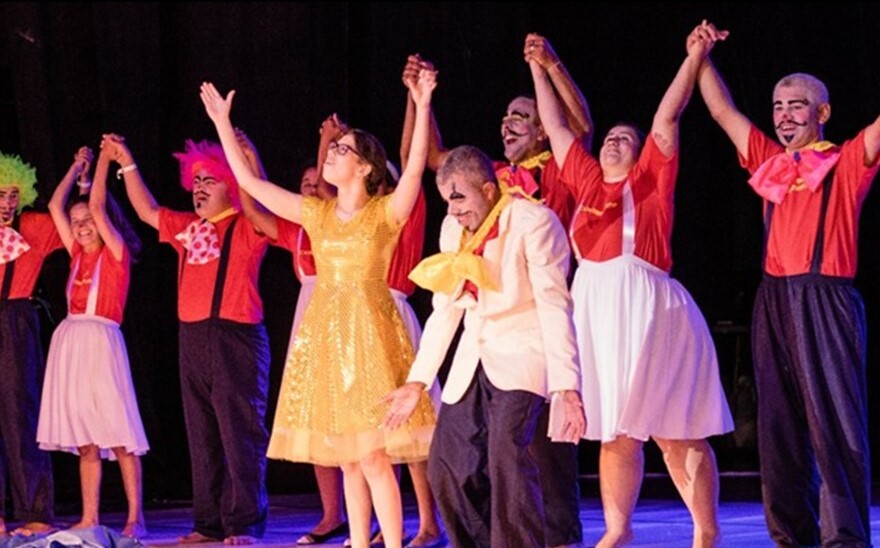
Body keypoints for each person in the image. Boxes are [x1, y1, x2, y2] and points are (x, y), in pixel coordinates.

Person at [199, 69, 437, 548]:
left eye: (343, 149)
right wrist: (222, 123)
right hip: (328, 336)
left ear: (366, 168)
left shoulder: (385, 213)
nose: (331, 153)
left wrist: (423, 102)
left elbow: (413, 170)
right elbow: (249, 182)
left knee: (373, 456)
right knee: (348, 459)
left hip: (370, 336)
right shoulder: (317, 213)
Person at [531, 23, 735, 548]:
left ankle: (706, 530)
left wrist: (693, 57)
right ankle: (619, 530)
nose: (614, 141)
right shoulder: (585, 181)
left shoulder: (650, 181)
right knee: (615, 430)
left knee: (674, 429)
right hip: (596, 311)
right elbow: (555, 128)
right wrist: (537, 66)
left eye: (625, 139)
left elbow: (667, 116)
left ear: (641, 153)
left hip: (648, 309)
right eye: (610, 137)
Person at [696, 19, 880, 547]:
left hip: (826, 298)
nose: (783, 116)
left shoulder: (846, 161)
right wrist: (700, 56)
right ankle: (791, 535)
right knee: (778, 427)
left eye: (796, 106)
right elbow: (722, 112)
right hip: (773, 300)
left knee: (835, 422)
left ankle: (844, 538)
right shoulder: (769, 162)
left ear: (822, 113)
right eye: (778, 107)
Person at [401, 41, 591, 547]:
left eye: (459, 198)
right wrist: (418, 380)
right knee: (447, 464)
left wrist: (567, 387)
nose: (453, 210)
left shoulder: (534, 219)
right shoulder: (454, 228)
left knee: (510, 458)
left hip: (527, 350)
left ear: (488, 190)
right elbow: (446, 310)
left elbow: (554, 305)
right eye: (447, 201)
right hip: (475, 356)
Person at [107, 134, 271, 545]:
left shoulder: (248, 224)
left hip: (236, 339)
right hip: (192, 338)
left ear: (230, 185)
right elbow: (146, 211)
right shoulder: (186, 228)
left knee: (240, 434)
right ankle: (208, 522)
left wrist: (251, 159)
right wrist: (126, 161)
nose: (199, 188)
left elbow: (263, 205)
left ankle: (244, 523)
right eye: (195, 181)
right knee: (202, 435)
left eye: (209, 180)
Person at [37, 145, 148, 539]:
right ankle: (89, 516)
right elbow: (55, 205)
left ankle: (135, 517)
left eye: (88, 221)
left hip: (101, 342)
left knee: (118, 433)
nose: (82, 226)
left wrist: (103, 160)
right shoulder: (75, 255)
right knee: (86, 438)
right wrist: (75, 167)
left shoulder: (115, 254)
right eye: (77, 222)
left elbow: (98, 207)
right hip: (71, 344)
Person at [0, 152, 58, 537]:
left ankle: (35, 510)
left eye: (13, 195)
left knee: (22, 414)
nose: (8, 202)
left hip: (16, 319)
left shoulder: (33, 227)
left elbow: (74, 224)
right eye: (1, 194)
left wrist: (83, 180)